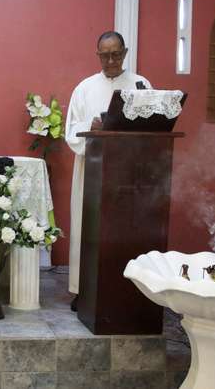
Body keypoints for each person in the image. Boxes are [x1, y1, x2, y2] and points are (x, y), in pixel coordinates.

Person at [65, 31, 152, 311]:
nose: (111, 60)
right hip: (93, 170)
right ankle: (84, 290)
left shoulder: (140, 85)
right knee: (88, 229)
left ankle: (127, 288)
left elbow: (152, 126)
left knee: (124, 232)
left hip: (128, 174)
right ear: (98, 55)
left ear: (125, 53)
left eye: (116, 54)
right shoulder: (85, 88)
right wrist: (92, 130)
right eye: (105, 55)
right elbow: (71, 131)